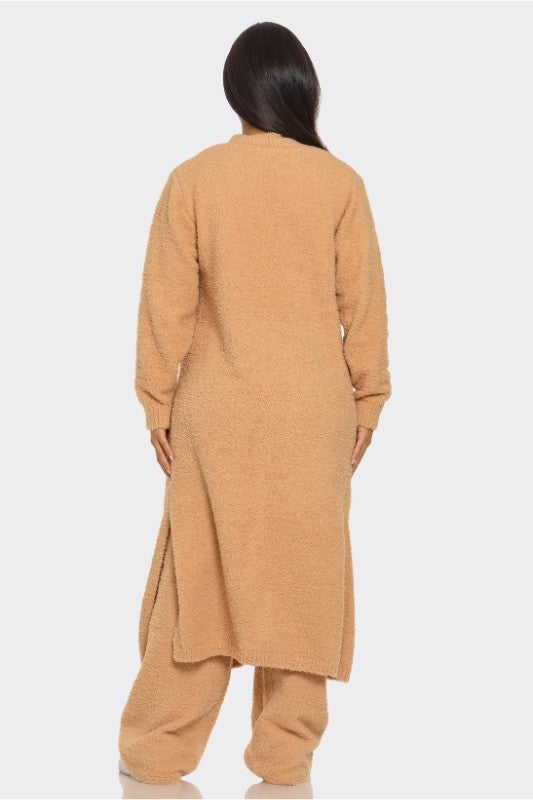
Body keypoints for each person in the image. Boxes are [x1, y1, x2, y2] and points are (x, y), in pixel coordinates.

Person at [119, 20, 392, 788]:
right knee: (303, 584)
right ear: (302, 91)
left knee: (198, 581)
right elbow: (364, 307)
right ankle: (283, 758)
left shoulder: (193, 180)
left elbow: (164, 308)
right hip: (314, 416)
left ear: (235, 91)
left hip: (217, 414)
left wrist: (155, 402)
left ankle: (155, 754)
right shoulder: (339, 183)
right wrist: (368, 401)